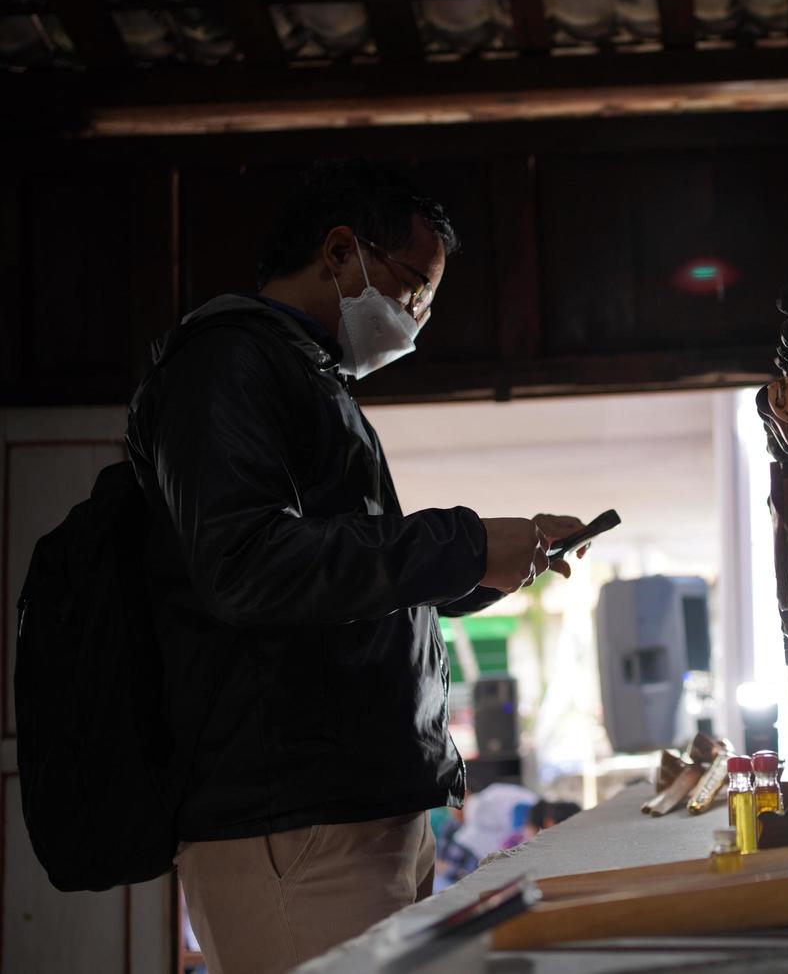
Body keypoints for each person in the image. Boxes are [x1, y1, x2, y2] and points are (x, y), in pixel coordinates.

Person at [125, 161, 587, 974]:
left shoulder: (306, 375)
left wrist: (477, 575)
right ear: (342, 252)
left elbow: (335, 586)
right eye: (412, 291)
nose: (415, 320)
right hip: (292, 820)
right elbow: (249, 568)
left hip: (351, 807)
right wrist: (465, 544)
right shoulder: (226, 363)